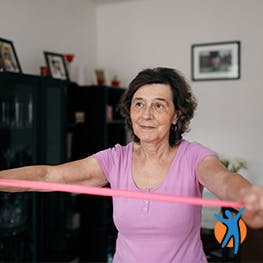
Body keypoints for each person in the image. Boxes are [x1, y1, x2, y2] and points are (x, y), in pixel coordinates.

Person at [0, 67, 263, 262]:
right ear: (131, 111)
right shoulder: (115, 159)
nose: (146, 115)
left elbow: (225, 180)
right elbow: (48, 176)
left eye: (158, 106)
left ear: (177, 115)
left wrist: (247, 194)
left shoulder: (194, 157)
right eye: (139, 104)